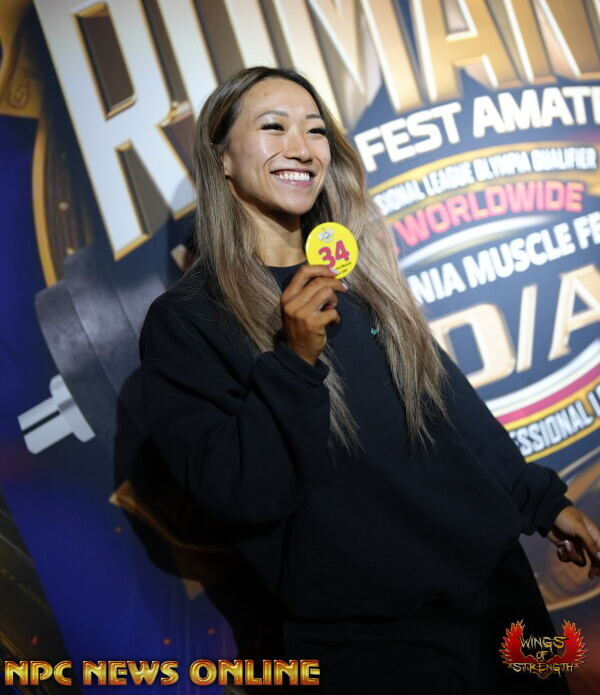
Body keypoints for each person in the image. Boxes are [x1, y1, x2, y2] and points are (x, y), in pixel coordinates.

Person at [140, 66, 600, 694]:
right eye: (273, 127)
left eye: (315, 130)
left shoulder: (357, 271)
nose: (302, 148)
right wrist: (294, 361)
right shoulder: (187, 320)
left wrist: (544, 503)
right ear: (221, 158)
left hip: (500, 597)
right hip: (370, 643)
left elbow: (444, 403)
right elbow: (235, 490)